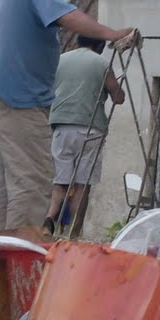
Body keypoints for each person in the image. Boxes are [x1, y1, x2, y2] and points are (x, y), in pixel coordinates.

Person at [0, 0, 140, 235]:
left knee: (0, 185)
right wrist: (112, 33)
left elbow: (3, 18)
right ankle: (22, 254)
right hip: (22, 99)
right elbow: (64, 15)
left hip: (3, 94)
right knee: (34, 182)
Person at [48, 35, 126, 236]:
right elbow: (118, 97)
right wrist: (118, 88)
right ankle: (74, 233)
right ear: (99, 45)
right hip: (90, 128)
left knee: (60, 182)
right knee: (82, 185)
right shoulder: (101, 62)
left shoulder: (60, 60)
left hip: (62, 126)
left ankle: (50, 218)